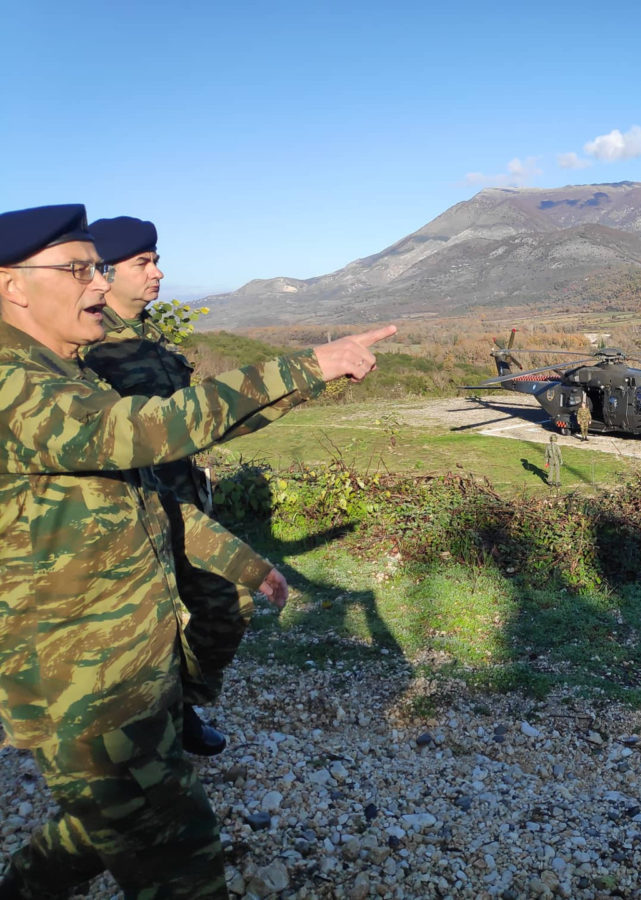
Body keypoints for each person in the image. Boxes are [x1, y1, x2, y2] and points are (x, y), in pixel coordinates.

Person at [0, 204, 394, 899]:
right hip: (80, 682)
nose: (100, 284)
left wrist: (243, 564)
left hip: (126, 665)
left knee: (105, 823)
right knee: (178, 850)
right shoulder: (13, 382)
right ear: (13, 286)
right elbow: (154, 427)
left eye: (100, 268)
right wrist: (310, 364)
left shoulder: (63, 371)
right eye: (79, 270)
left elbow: (146, 498)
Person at [83, 216, 246, 756]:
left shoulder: (146, 335)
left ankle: (181, 706)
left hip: (181, 503)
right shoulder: (89, 346)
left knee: (220, 605)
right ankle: (148, 731)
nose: (157, 273)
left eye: (156, 260)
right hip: (134, 514)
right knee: (149, 629)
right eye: (143, 263)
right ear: (106, 272)